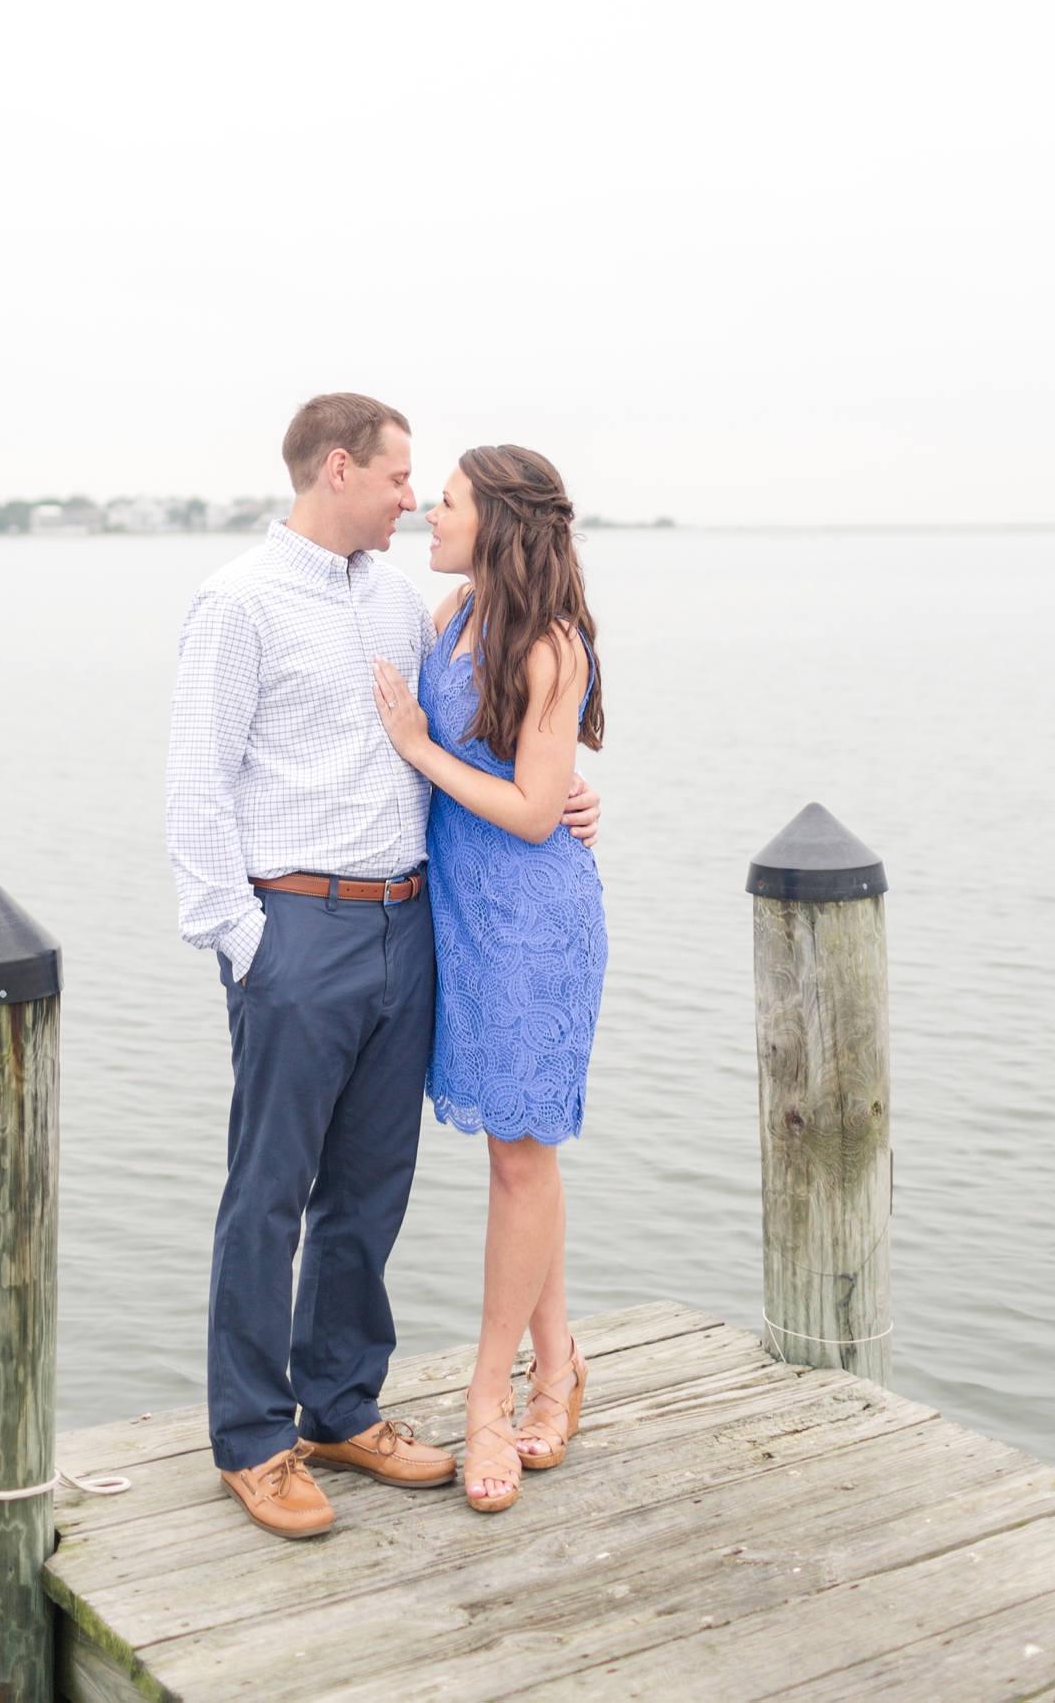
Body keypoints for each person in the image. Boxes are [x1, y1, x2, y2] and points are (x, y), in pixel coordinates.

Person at [166, 394, 600, 1539]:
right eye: (403, 479)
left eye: (431, 489)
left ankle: (342, 1404)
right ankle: (255, 1439)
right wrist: (243, 939)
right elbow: (196, 785)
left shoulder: (407, 602)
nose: (415, 501)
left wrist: (569, 801)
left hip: (414, 926)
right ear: (342, 468)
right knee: (269, 1194)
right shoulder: (237, 604)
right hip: (296, 931)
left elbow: (478, 741)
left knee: (370, 1188)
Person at [372, 445, 607, 1514]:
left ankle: (489, 1404)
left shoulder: (553, 647)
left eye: (450, 501)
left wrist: (419, 748)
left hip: (531, 924)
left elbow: (527, 809)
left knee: (522, 1156)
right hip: (459, 915)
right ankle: (558, 1364)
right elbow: (521, 780)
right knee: (519, 1155)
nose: (428, 509)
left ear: (498, 521)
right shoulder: (449, 617)